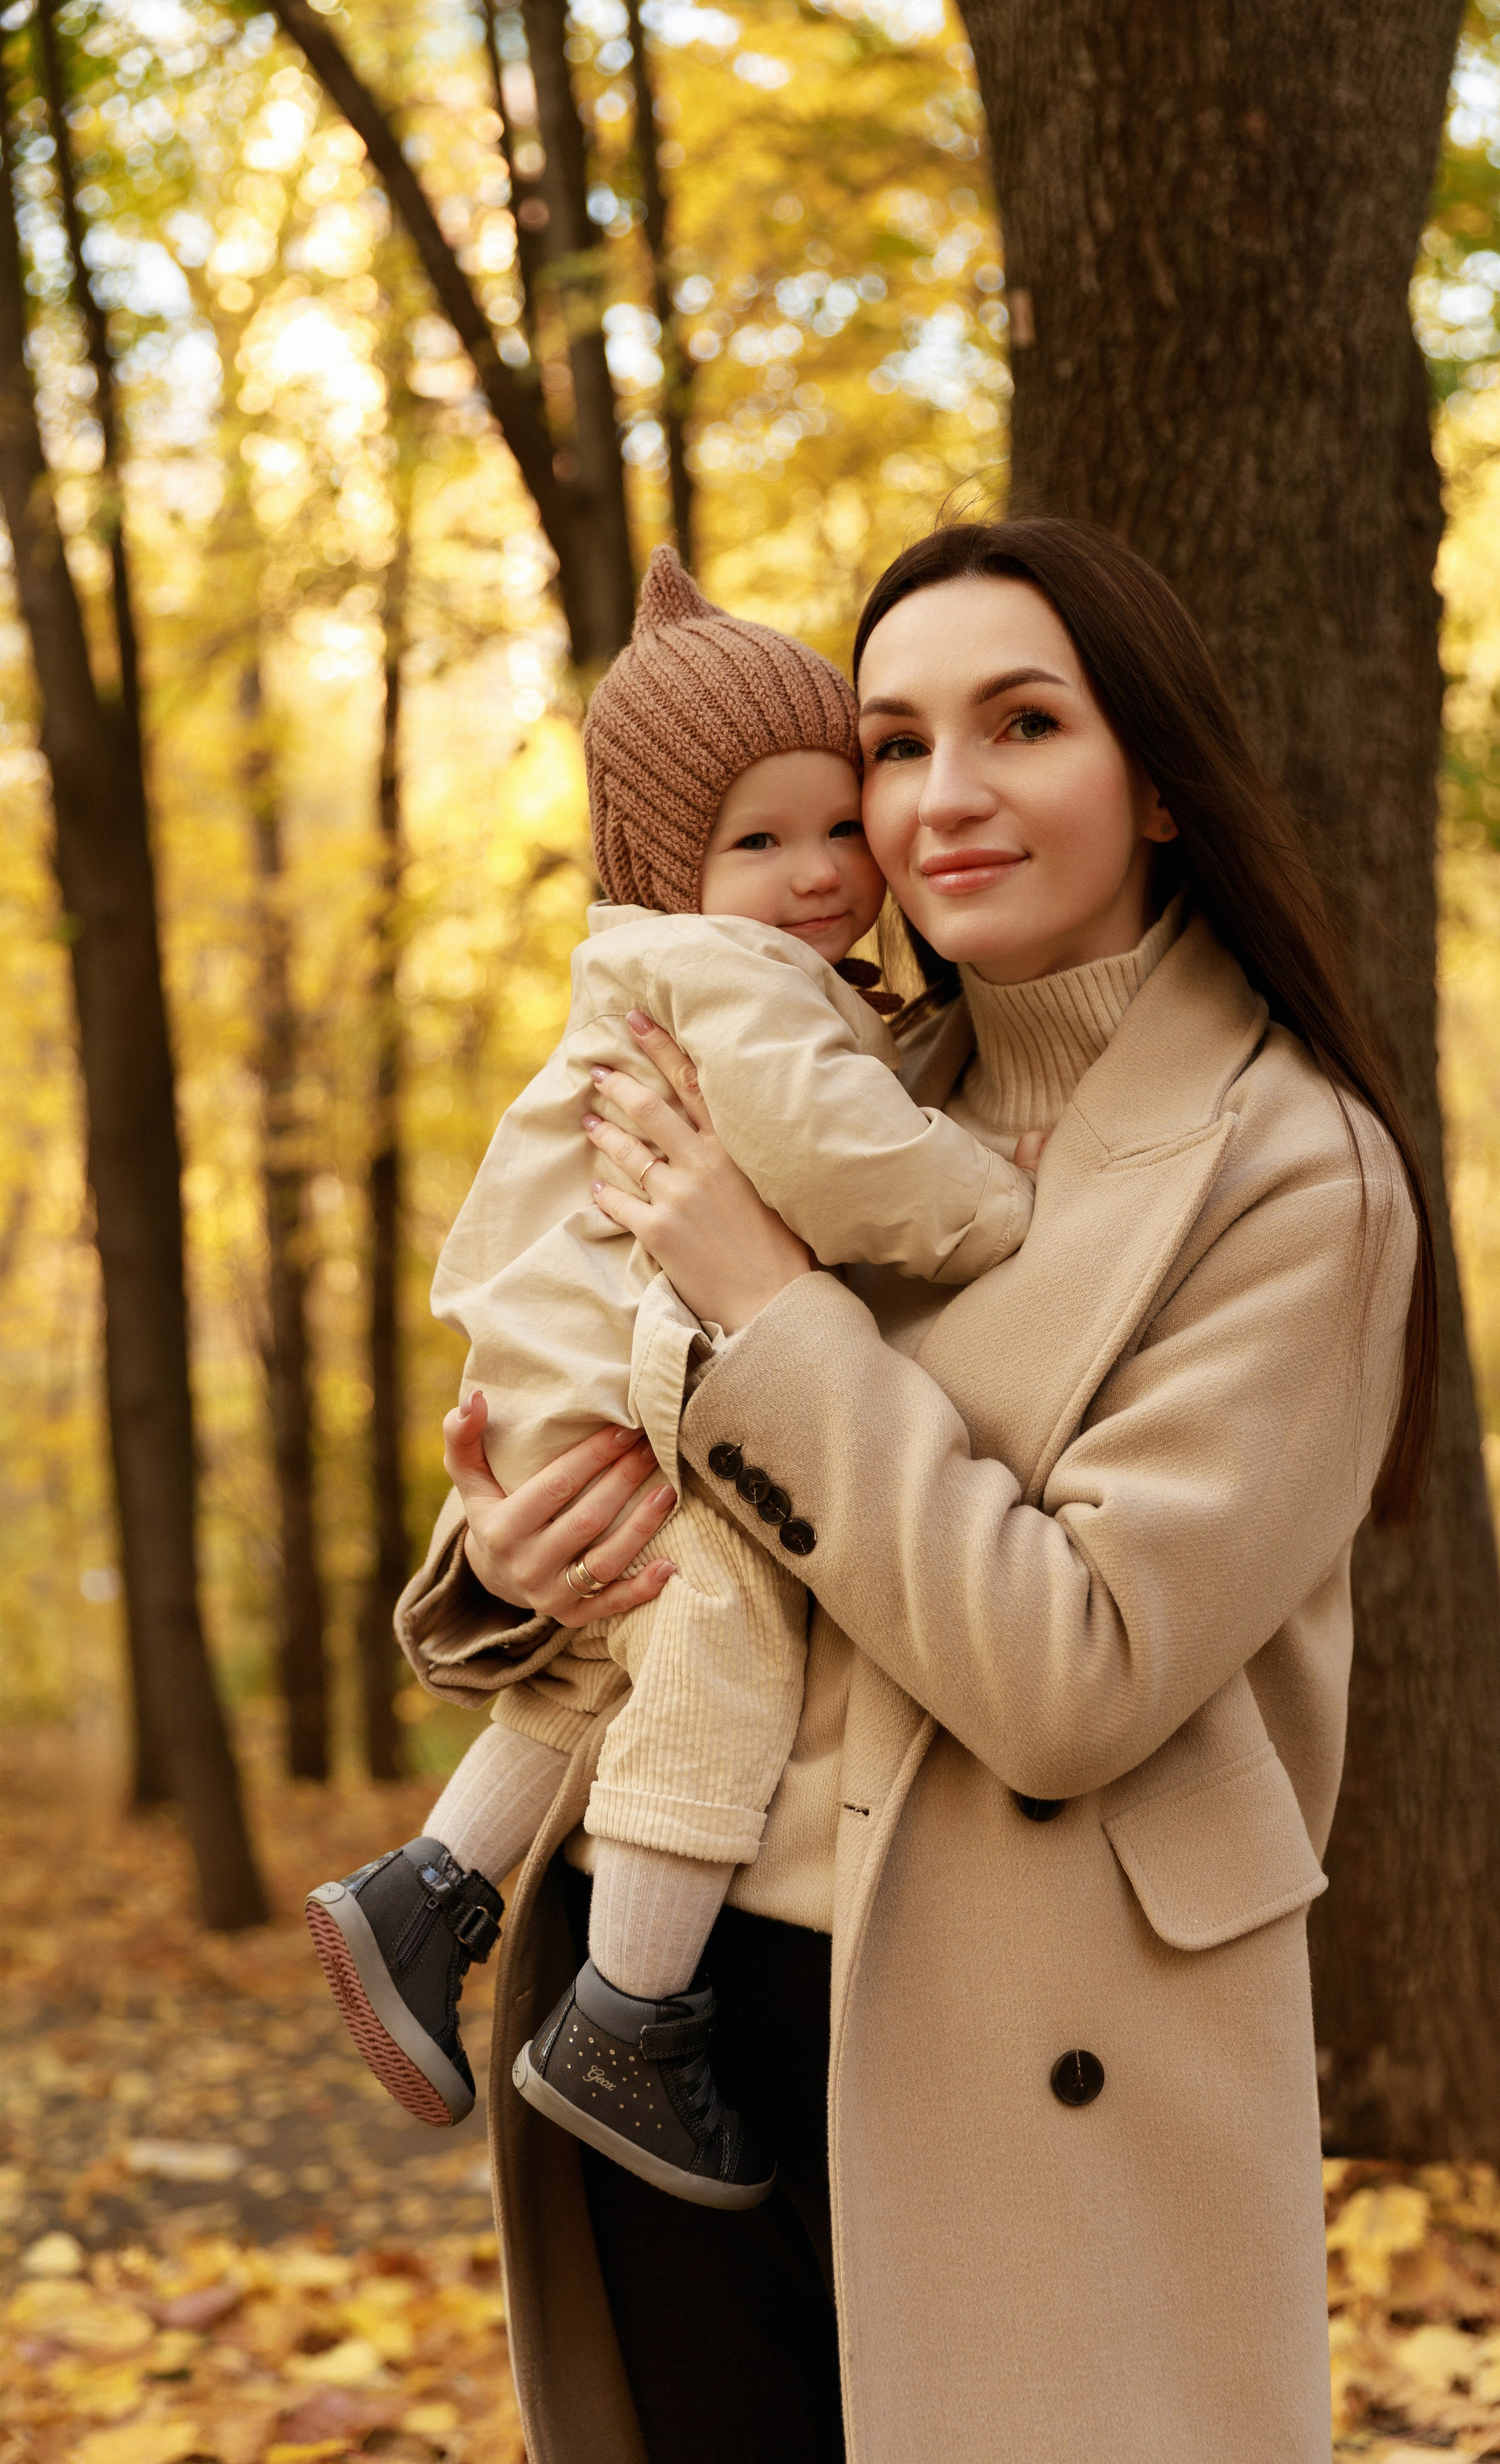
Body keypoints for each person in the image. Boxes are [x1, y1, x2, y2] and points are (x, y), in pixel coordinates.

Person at [397, 518, 1434, 2464]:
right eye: (889, 743)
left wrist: (772, 1306)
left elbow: (1077, 1675)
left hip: (1028, 2059)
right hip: (662, 2015)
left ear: (1161, 784)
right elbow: (613, 1401)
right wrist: (515, 1556)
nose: (939, 796)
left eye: (1022, 723)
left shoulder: (1296, 1176)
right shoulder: (825, 1073)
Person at [305, 547, 1039, 2208]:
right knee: (712, 1634)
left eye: (835, 824)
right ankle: (628, 2014)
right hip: (621, 1382)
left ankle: (428, 1891)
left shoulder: (711, 969)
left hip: (585, 1370)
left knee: (598, 1660)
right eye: (754, 843)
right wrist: (995, 1205)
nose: (814, 875)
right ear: (664, 861)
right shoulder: (728, 979)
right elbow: (835, 1156)